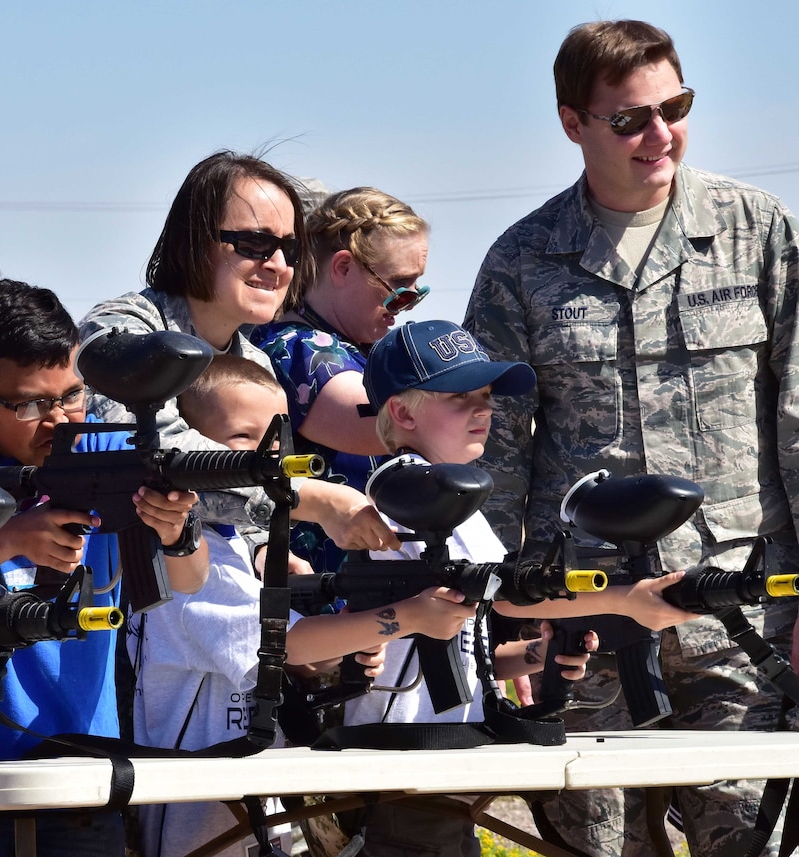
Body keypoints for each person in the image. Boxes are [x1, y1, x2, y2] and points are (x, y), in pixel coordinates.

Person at [463, 19, 799, 857]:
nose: (660, 134)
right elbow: (493, 454)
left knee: (752, 840)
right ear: (573, 123)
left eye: (674, 106)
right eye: (629, 118)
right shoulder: (521, 261)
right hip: (583, 621)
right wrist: (506, 613)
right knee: (599, 849)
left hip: (743, 609)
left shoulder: (757, 229)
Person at [0, 279, 201, 857]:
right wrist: (12, 539)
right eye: (29, 404)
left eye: (72, 395)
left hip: (82, 765)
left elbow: (189, 580)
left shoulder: (104, 444)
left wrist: (174, 530)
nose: (59, 420)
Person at [343, 319, 697, 857]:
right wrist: (621, 599)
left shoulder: (456, 501)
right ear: (403, 411)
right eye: (460, 397)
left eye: (486, 396)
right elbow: (502, 593)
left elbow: (460, 646)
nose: (483, 410)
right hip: (402, 756)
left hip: (440, 753)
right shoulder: (409, 493)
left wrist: (534, 654)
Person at [128, 354, 475, 857]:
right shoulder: (189, 554)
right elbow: (283, 644)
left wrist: (352, 640)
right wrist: (408, 617)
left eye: (277, 438)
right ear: (193, 448)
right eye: (243, 439)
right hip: (194, 821)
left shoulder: (243, 550)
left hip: (253, 805)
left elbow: (309, 658)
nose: (267, 454)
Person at [80, 151, 398, 563]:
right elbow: (147, 452)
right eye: (254, 243)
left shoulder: (254, 362)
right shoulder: (123, 328)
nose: (280, 265)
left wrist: (260, 549)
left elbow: (240, 507)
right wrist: (308, 496)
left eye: (291, 248)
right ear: (193, 241)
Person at [253, 187, 431, 573]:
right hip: (315, 599)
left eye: (417, 293)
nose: (408, 306)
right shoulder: (298, 350)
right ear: (344, 267)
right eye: (399, 290)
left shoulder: (355, 347)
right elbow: (388, 428)